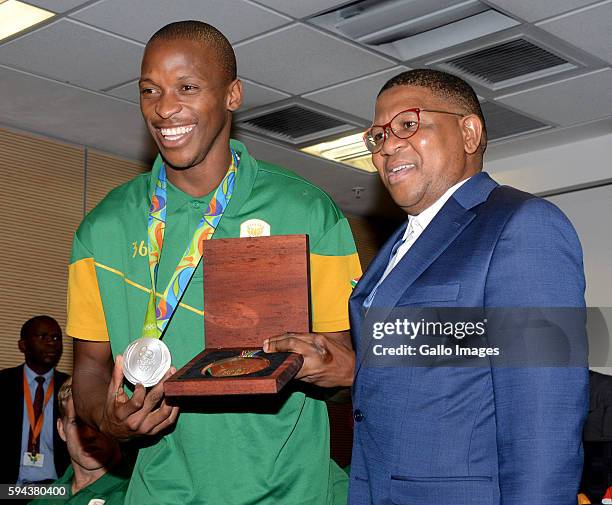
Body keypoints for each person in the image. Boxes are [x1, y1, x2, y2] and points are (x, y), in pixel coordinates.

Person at [67, 20, 361, 505]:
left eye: (187, 87)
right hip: (160, 494)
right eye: (150, 91)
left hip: (291, 494)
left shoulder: (307, 212)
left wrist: (339, 369)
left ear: (232, 95)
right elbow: (91, 368)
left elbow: (340, 370)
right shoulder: (103, 230)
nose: (164, 108)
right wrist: (108, 419)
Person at [266, 69, 588, 504]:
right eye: (377, 136)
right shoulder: (400, 246)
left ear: (469, 132)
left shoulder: (522, 226)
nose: (387, 147)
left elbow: (542, 422)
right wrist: (341, 367)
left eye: (408, 124)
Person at [29, 377, 129, 505]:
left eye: (98, 422)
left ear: (117, 426)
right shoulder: (48, 496)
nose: (88, 434)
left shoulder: (135, 494)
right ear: (61, 429)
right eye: (78, 422)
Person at [0, 315, 70, 485]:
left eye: (56, 337)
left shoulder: (71, 387)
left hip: (56, 489)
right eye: (42, 336)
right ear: (22, 345)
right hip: (9, 489)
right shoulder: (3, 383)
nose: (52, 342)